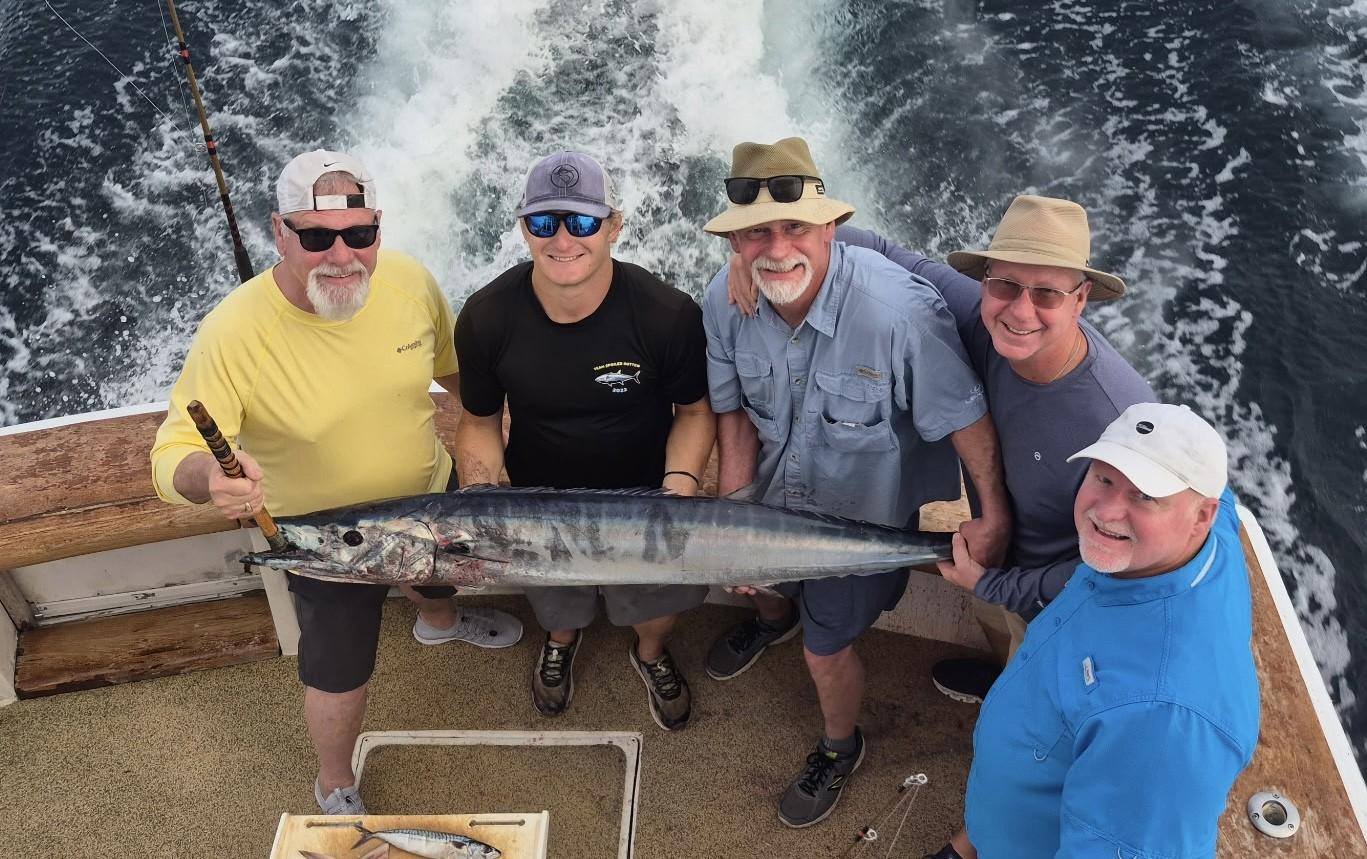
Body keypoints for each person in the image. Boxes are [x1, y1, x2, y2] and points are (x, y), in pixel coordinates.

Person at [150, 150, 522, 815]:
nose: (341, 254)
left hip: (422, 498)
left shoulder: (409, 281)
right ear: (279, 233)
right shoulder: (233, 331)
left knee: (438, 579)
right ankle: (335, 780)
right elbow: (173, 452)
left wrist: (495, 425)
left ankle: (439, 622)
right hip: (328, 541)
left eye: (361, 233)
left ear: (380, 229)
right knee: (339, 671)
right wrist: (211, 475)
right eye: (317, 237)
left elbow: (457, 376)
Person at [728, 197, 1155, 704]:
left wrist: (999, 587)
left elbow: (1131, 559)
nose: (1020, 311)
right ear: (987, 281)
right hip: (989, 557)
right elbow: (871, 245)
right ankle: (1003, 673)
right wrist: (754, 258)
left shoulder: (1118, 419)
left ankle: (1013, 694)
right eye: (1005, 285)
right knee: (999, 634)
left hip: (1063, 596)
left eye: (1047, 294)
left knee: (1036, 686)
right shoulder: (980, 312)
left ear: (1081, 299)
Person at [700, 137, 1011, 828]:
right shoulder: (722, 302)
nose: (777, 249)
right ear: (735, 243)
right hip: (776, 504)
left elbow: (966, 420)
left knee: (826, 644)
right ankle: (768, 619)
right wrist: (735, 517)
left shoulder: (899, 313)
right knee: (766, 590)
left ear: (830, 228)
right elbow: (733, 416)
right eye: (755, 234)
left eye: (795, 228)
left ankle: (840, 745)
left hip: (860, 526)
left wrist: (989, 515)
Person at [453, 151, 715, 731]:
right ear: (525, 228)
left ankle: (649, 655)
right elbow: (477, 421)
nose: (562, 239)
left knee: (655, 610)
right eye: (544, 223)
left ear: (613, 226)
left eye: (582, 222)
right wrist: (481, 496)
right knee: (556, 603)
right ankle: (560, 641)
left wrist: (678, 487)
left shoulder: (667, 315)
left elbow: (695, 413)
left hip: (644, 501)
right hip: (540, 502)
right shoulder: (485, 317)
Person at [933, 403, 1260, 859]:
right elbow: (1225, 499)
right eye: (1103, 478)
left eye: (1145, 495)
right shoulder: (1190, 539)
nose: (1105, 511)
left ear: (1199, 517)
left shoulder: (1160, 720)